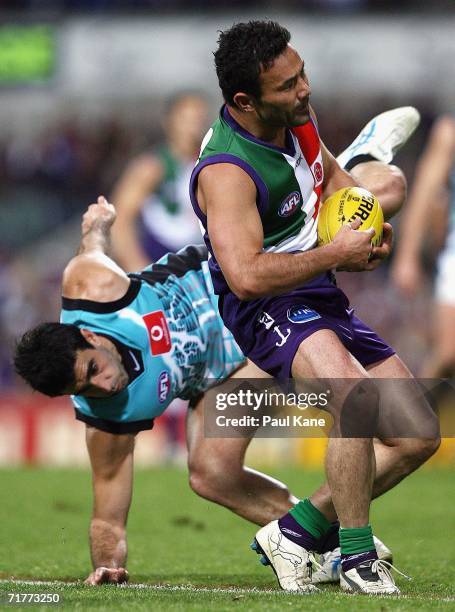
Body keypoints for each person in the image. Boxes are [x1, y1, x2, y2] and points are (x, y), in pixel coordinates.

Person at [14, 196, 400, 587]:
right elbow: (107, 517)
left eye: (93, 369)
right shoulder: (108, 419)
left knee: (388, 191)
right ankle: (321, 539)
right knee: (210, 474)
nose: (105, 385)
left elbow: (91, 247)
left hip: (246, 305)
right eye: (86, 389)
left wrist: (97, 224)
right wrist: (107, 563)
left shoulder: (91, 287)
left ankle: (325, 532)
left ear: (89, 334)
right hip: (223, 374)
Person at [190, 20, 440, 594]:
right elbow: (246, 276)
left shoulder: (295, 117)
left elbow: (330, 180)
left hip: (317, 288)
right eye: (288, 84)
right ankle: (356, 557)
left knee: (417, 435)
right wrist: (336, 250)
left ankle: (295, 533)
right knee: (354, 402)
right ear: (244, 102)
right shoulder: (228, 170)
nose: (304, 89)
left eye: (302, 74)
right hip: (266, 304)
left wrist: (368, 231)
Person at [111, 92, 209, 271]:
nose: (193, 126)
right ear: (169, 121)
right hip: (160, 255)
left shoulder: (210, 165)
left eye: (198, 119)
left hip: (198, 261)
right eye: (186, 119)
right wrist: (140, 271)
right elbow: (119, 223)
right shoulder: (152, 167)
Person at [391, 115, 455, 377]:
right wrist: (407, 256)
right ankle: (414, 415)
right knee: (449, 353)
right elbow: (424, 193)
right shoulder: (449, 133)